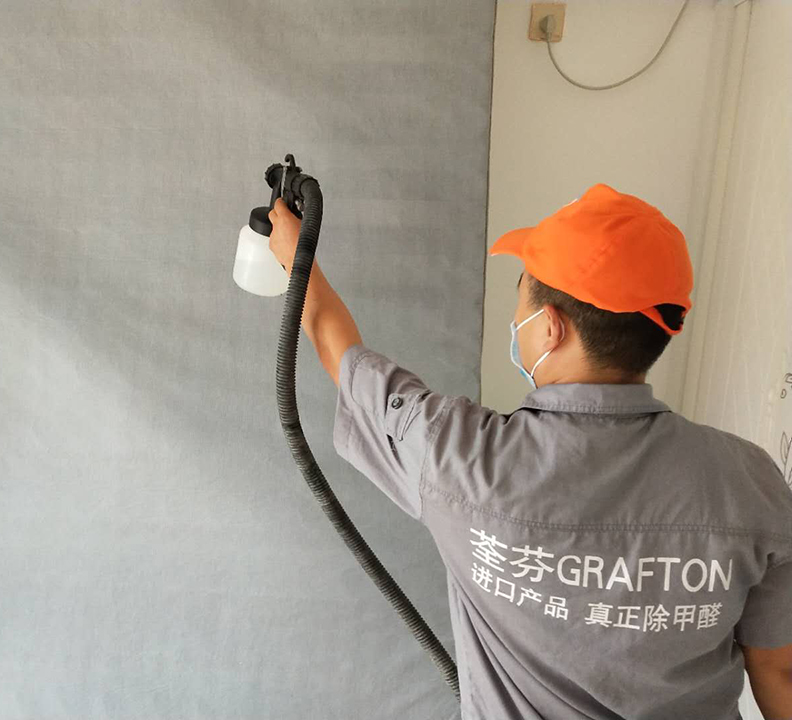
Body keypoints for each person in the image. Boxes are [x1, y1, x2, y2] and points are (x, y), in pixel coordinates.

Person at [268, 183, 792, 720]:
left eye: (521, 301)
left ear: (550, 329)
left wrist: (294, 256)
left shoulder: (457, 458)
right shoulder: (751, 481)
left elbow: (340, 352)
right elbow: (777, 671)